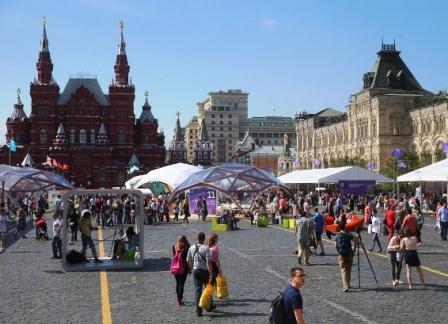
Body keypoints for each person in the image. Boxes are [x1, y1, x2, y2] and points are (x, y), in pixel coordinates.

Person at [186, 232, 214, 317]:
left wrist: (191, 268)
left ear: (197, 238)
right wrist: (211, 273)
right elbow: (208, 261)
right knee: (208, 289)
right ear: (204, 239)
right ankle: (209, 306)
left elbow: (188, 260)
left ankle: (198, 311)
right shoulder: (206, 248)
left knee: (197, 291)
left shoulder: (191, 247)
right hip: (204, 271)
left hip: (195, 271)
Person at [335, 222, 359, 292]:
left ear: (339, 227)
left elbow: (335, 245)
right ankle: (348, 284)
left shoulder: (337, 235)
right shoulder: (349, 234)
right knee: (349, 269)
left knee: (343, 270)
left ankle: (345, 286)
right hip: (349, 254)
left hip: (341, 255)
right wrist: (357, 236)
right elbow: (356, 242)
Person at [171, 235, 190, 306]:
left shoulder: (174, 247)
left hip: (175, 268)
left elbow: (174, 256)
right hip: (184, 268)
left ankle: (178, 299)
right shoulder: (187, 248)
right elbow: (188, 259)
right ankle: (180, 300)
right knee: (181, 284)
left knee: (178, 283)